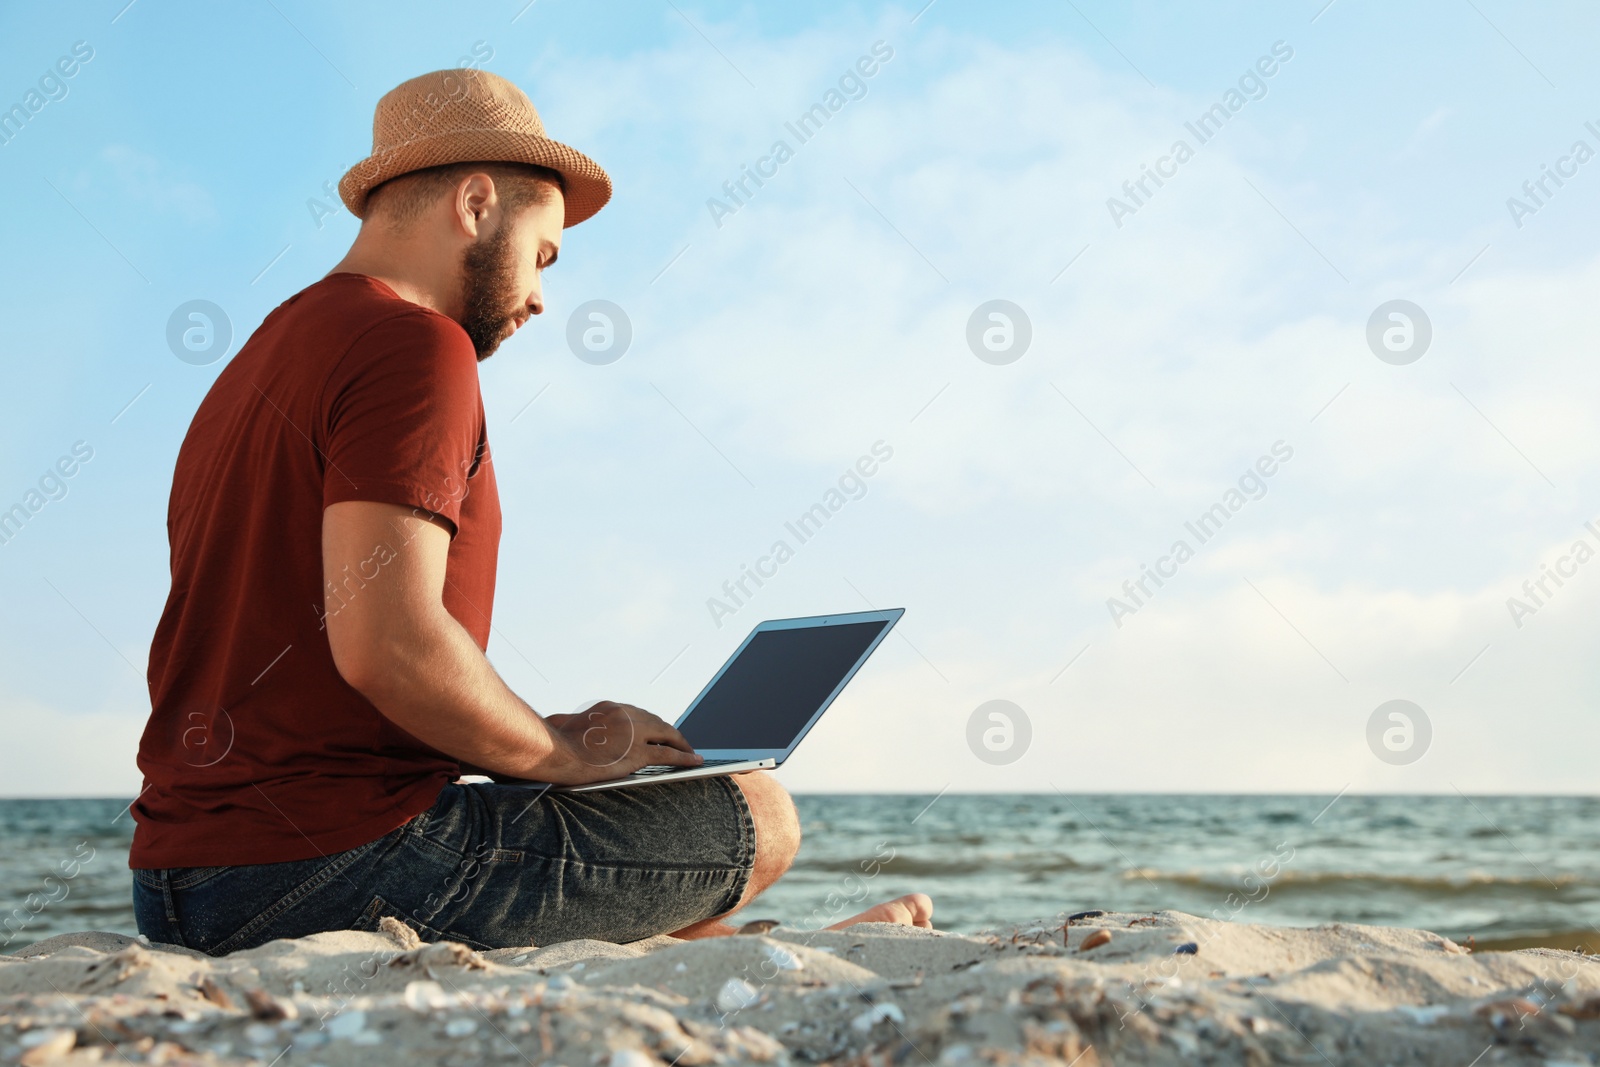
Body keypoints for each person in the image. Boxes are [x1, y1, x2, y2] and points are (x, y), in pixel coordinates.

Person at [130, 68, 931, 955]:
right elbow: (384, 643)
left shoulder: (258, 360)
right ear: (475, 204)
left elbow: (316, 667)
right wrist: (565, 759)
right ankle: (761, 935)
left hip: (182, 879)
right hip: (333, 862)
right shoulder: (413, 342)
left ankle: (723, 943)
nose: (544, 295)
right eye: (543, 254)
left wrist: (544, 734)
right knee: (759, 813)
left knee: (594, 829)